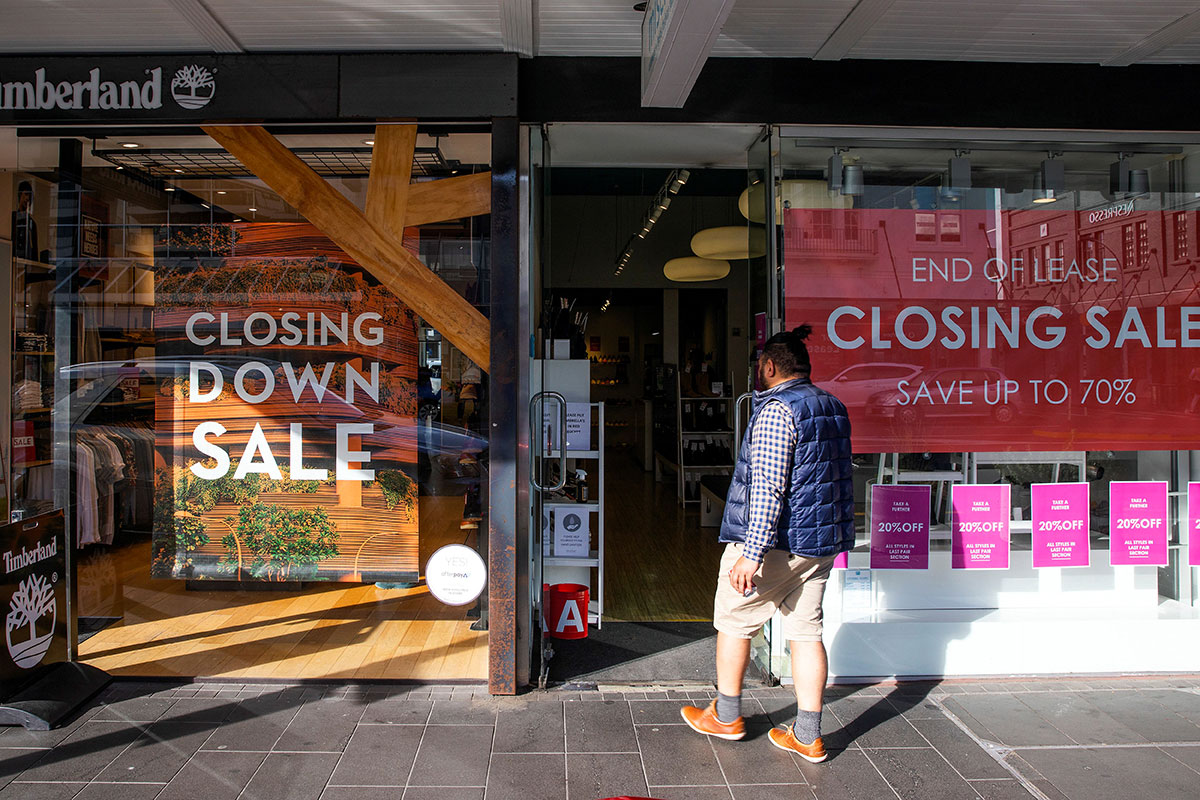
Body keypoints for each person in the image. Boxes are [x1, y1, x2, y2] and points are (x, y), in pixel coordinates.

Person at [681, 324, 854, 763]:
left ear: (770, 366)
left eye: (760, 365)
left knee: (734, 621)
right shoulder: (832, 405)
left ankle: (726, 716)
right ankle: (808, 734)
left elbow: (769, 488)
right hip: (821, 541)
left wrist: (751, 553)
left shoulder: (778, 411)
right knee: (806, 632)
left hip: (780, 543)